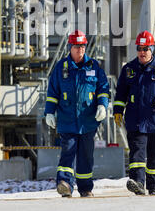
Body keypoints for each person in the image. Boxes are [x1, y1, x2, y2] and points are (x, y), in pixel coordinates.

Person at [44, 30, 110, 198]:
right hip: (67, 120)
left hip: (88, 121)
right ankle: (64, 184)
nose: (80, 49)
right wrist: (49, 113)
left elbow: (103, 89)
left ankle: (85, 188)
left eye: (82, 46)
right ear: (70, 47)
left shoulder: (94, 66)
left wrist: (102, 106)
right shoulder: (61, 68)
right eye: (76, 46)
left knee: (86, 156)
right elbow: (52, 93)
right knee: (68, 151)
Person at [113, 30, 155, 196]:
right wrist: (118, 111)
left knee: (154, 156)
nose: (142, 52)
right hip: (135, 119)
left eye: (145, 49)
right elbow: (120, 92)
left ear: (152, 49)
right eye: (139, 48)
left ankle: (154, 187)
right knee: (137, 153)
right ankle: (138, 183)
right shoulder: (129, 69)